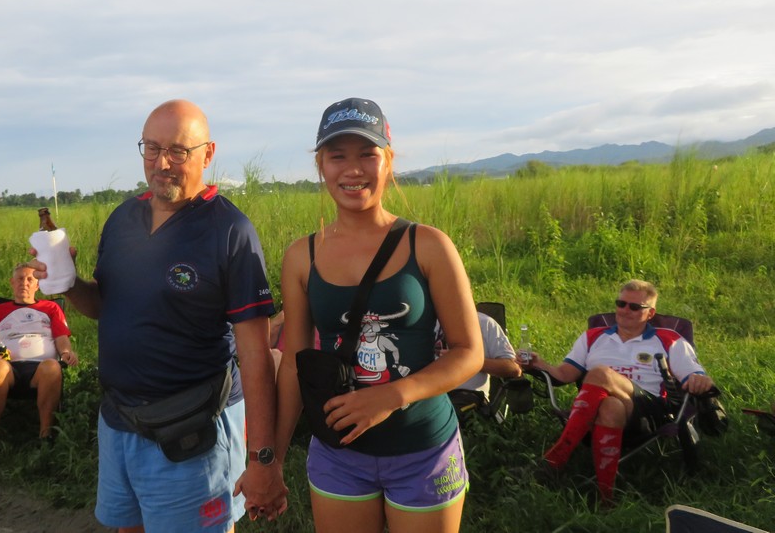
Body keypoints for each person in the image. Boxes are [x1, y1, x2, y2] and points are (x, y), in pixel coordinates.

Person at [33, 99, 286, 532]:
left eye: (178, 151)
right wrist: (69, 282)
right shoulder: (123, 219)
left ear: (207, 154)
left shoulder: (229, 231)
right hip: (119, 424)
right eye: (151, 148)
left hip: (193, 433)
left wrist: (263, 459)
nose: (161, 163)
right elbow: (104, 307)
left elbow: (256, 355)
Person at [274, 98, 484, 533]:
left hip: (423, 448)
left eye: (367, 154)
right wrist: (271, 459)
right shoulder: (301, 256)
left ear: (388, 161)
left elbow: (468, 352)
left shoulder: (429, 245)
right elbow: (294, 364)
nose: (353, 170)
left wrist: (392, 396)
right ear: (321, 166)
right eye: (337, 156)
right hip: (339, 453)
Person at [526, 279, 715, 501]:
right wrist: (539, 364)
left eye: (634, 307)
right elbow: (564, 374)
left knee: (599, 373)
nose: (625, 310)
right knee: (610, 407)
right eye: (621, 303)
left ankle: (556, 458)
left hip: (649, 410)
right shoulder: (593, 337)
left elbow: (693, 375)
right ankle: (606, 496)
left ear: (650, 313)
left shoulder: (669, 339)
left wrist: (700, 380)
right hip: (602, 407)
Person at [0, 263, 77, 443]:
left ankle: (46, 437)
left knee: (52, 367)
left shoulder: (51, 309)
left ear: (38, 285)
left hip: (40, 369)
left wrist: (66, 352)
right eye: (20, 279)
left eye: (30, 279)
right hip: (8, 369)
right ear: (12, 283)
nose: (24, 283)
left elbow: (61, 338)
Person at [437, 312, 523, 415]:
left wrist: (469, 361)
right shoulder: (424, 322)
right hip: (428, 391)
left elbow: (513, 368)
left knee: (440, 415)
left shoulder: (484, 323)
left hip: (466, 395)